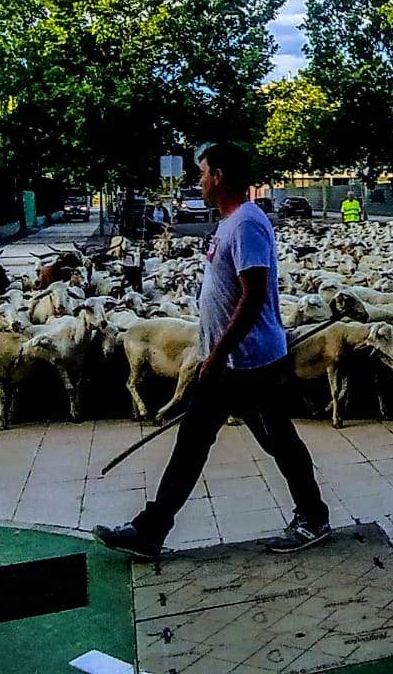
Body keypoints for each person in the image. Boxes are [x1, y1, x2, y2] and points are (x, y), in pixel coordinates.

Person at [94, 142, 330, 560]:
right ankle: (150, 531)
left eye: (202, 172)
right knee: (194, 443)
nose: (198, 180)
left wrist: (218, 353)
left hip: (251, 361)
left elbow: (254, 294)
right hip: (228, 361)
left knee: (278, 440)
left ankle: (313, 517)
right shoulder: (229, 223)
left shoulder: (246, 224)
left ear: (219, 175)